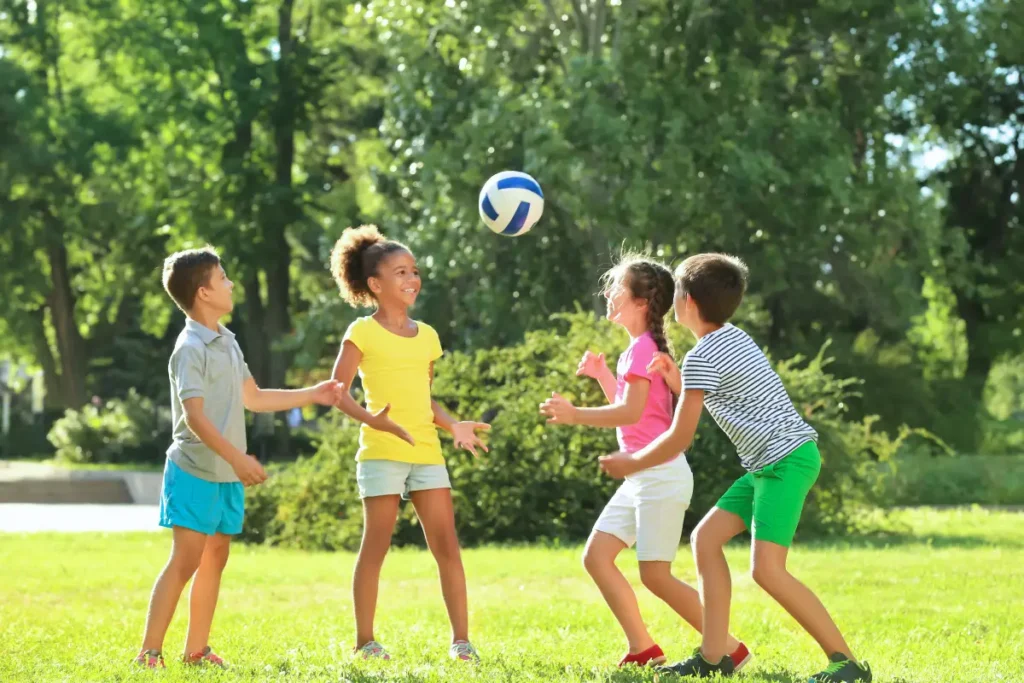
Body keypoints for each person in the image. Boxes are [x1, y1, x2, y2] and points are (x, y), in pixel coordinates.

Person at [600, 253, 871, 682]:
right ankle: (714, 657)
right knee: (706, 539)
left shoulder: (702, 358)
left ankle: (846, 663)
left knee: (767, 570)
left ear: (685, 302)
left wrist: (632, 460)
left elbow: (679, 436)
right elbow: (716, 391)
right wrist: (677, 376)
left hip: (784, 462)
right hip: (769, 464)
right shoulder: (732, 337)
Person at [135, 247, 346, 670]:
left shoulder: (227, 340)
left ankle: (196, 650)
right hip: (195, 469)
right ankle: (148, 654)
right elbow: (194, 417)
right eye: (223, 278)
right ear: (204, 292)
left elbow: (254, 397)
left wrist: (314, 394)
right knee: (186, 561)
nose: (231, 284)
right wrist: (239, 458)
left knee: (216, 557)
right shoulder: (190, 347)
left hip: (225, 472)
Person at [541, 253, 750, 670]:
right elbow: (631, 406)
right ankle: (643, 648)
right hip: (643, 475)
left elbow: (631, 413)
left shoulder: (643, 349)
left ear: (640, 303)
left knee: (656, 575)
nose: (607, 293)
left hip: (660, 475)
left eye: (616, 286)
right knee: (597, 557)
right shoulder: (637, 350)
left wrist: (575, 414)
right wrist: (603, 376)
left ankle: (729, 648)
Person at [329, 225, 490, 663]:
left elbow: (426, 398)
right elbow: (337, 392)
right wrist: (373, 421)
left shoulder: (429, 336)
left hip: (425, 451)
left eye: (414, 271)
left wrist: (453, 425)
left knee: (447, 545)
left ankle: (461, 641)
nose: (412, 279)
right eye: (401, 272)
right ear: (376, 285)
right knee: (376, 546)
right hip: (381, 452)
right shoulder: (361, 333)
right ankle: (365, 641)